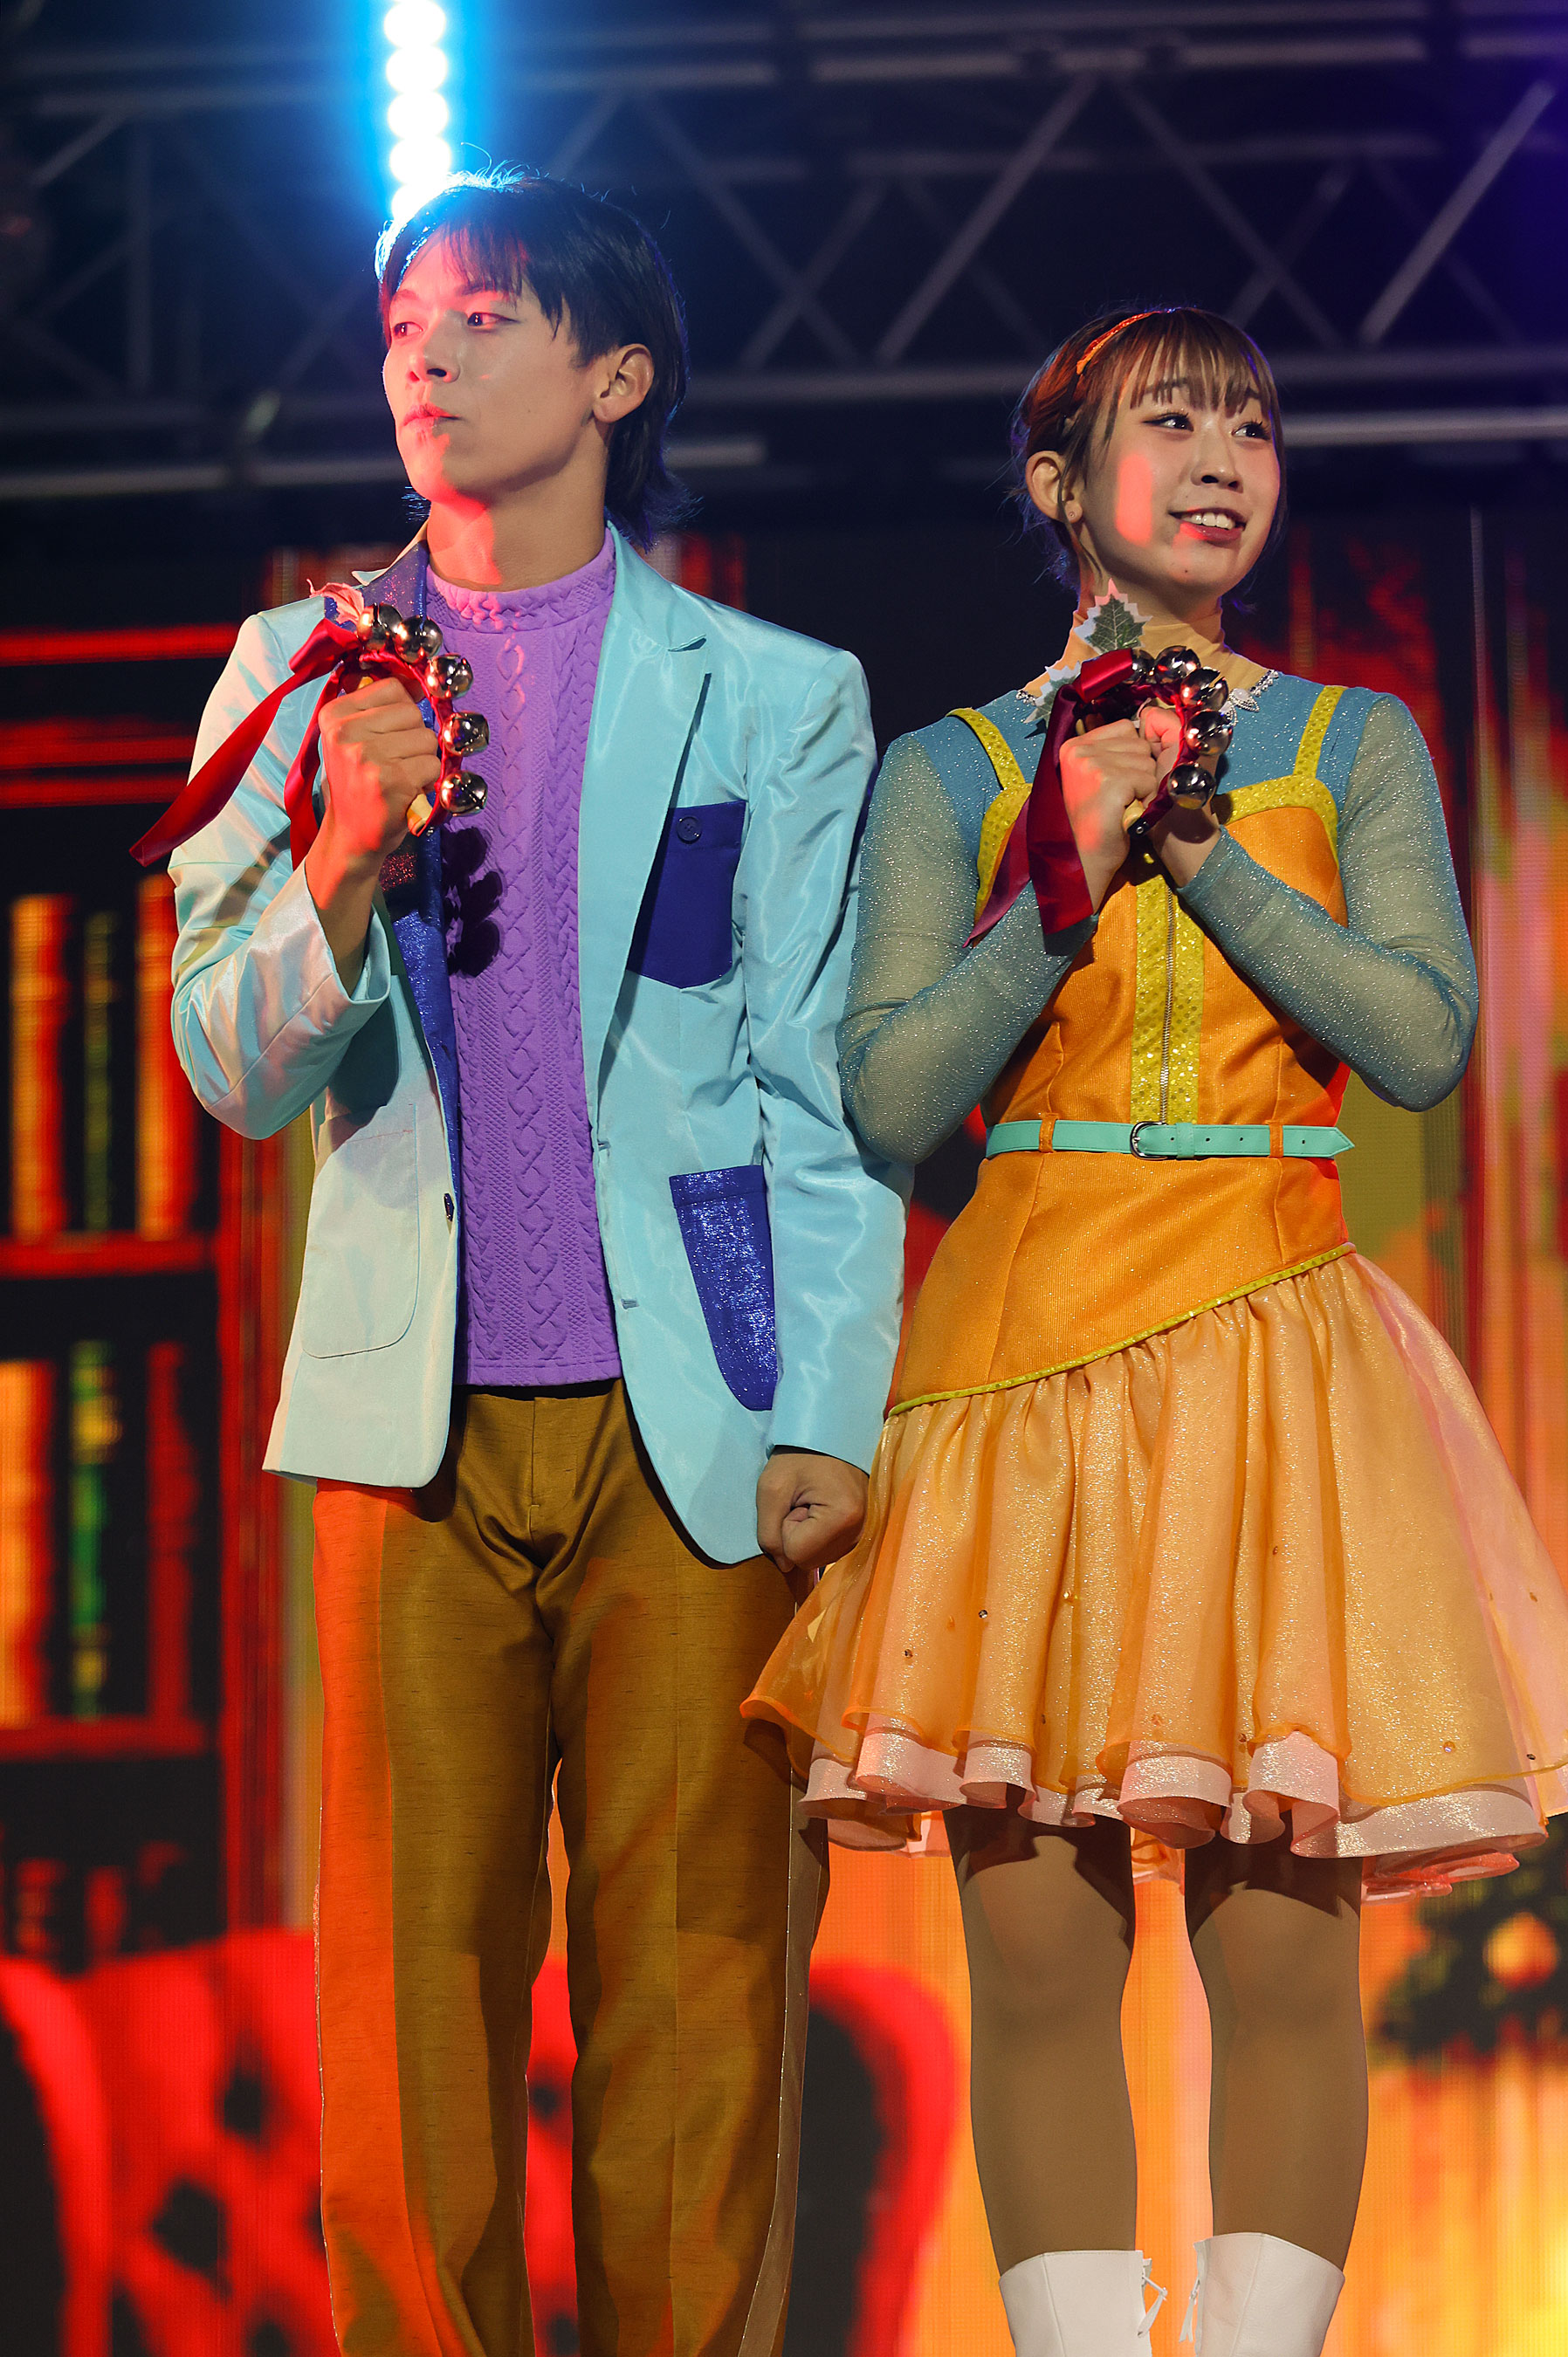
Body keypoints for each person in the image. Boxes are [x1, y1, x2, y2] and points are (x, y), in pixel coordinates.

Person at [742, 306, 1568, 2357]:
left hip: (1270, 1353)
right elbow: (891, 1098)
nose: (1221, 458)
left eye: (1252, 425)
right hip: (1021, 1360)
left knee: (1281, 1953)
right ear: (1059, 485)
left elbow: (1422, 1039)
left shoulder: (1352, 742)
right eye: (1169, 421)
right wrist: (1066, 861)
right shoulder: (951, 769)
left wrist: (1199, 851)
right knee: (1039, 1958)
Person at [164, 168, 904, 2357]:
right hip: (412, 1435)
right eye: (406, 317)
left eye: (485, 315)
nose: (426, 350)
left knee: (702, 1992)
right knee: (414, 2009)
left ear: (614, 374)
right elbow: (227, 1065)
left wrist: (825, 1414)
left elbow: (816, 1089)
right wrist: (341, 853)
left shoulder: (773, 695)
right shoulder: (295, 674)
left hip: (692, 1440)